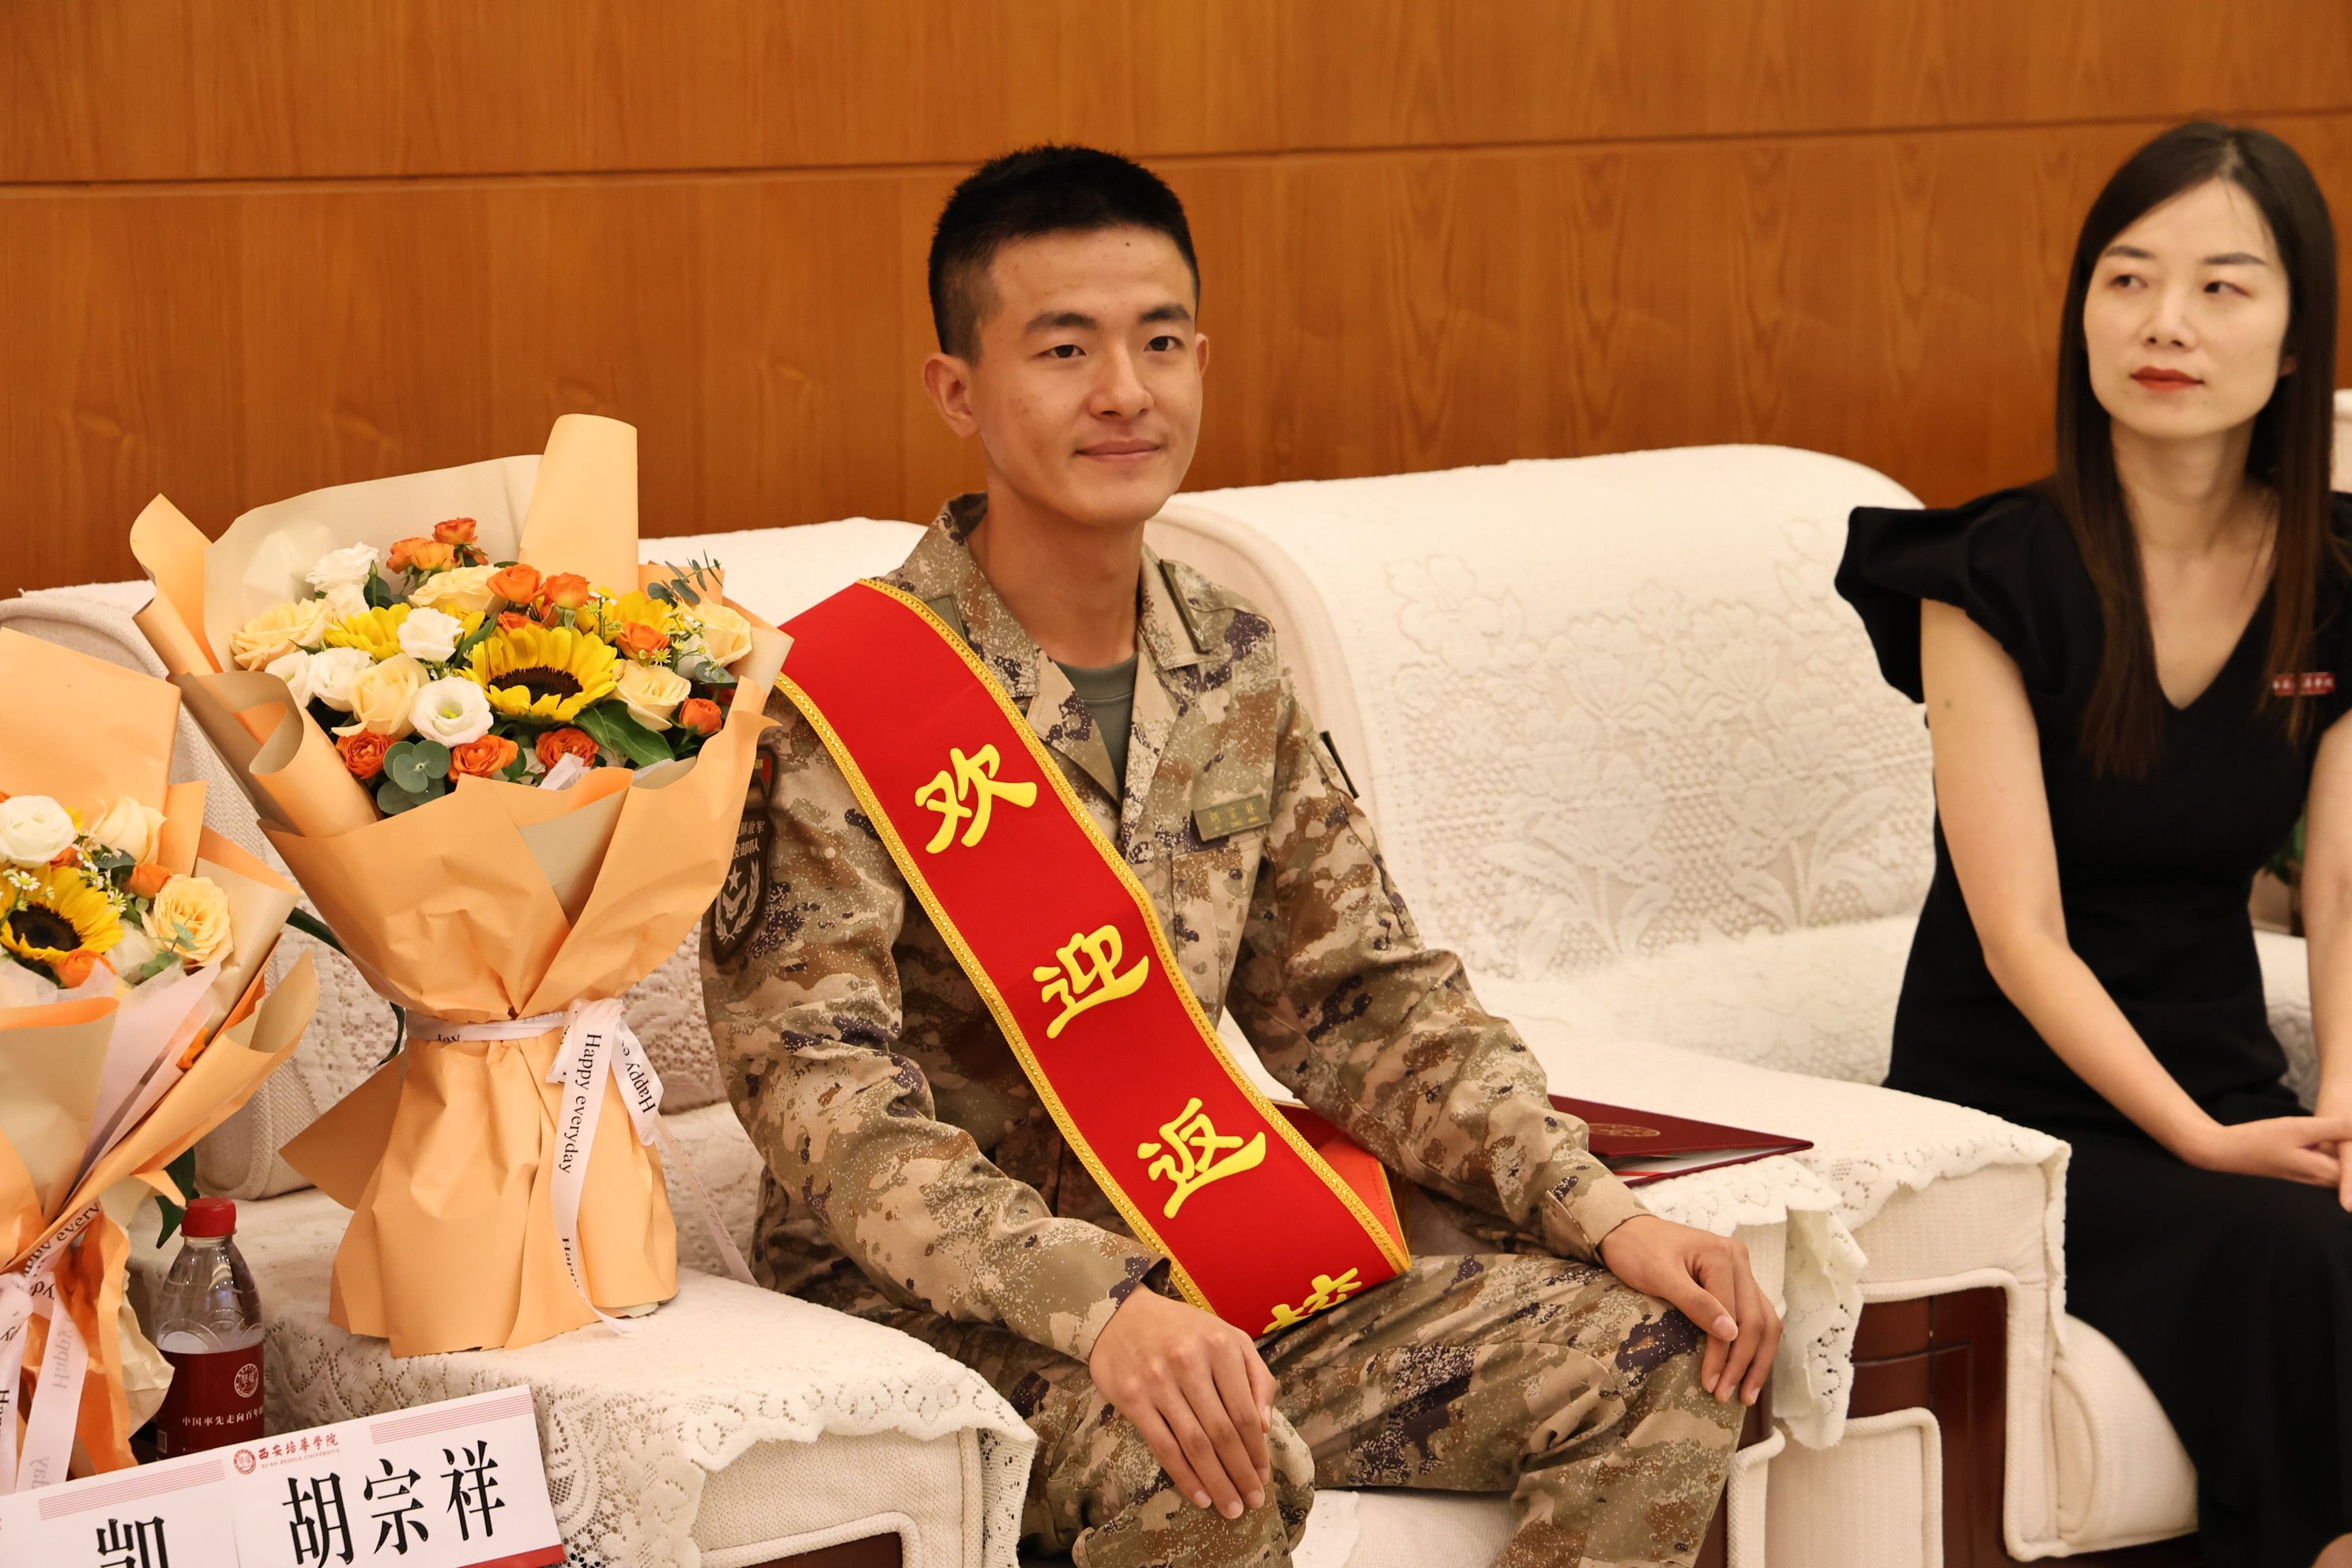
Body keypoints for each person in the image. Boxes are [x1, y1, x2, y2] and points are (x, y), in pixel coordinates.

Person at [703, 144, 1776, 1567]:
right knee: (1206, 1464)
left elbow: (1367, 1008)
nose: (1123, 392)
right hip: (937, 1309)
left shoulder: (1232, 663)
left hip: (1213, 1257)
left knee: (1665, 1349)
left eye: (1158, 343)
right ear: (957, 390)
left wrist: (1601, 1213)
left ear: (1201, 361)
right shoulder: (835, 697)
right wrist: (1096, 1305)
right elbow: (817, 1095)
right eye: (1064, 349)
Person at [1837, 122, 2352, 1568]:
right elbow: (2019, 935)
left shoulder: (2337, 571)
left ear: (2297, 340)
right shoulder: (1986, 575)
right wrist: (2200, 1141)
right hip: (2013, 1112)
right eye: (2127, 280)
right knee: (2296, 1253)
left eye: (2222, 287)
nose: (2164, 323)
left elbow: (2340, 885)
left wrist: (2344, 1106)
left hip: (2225, 1072)